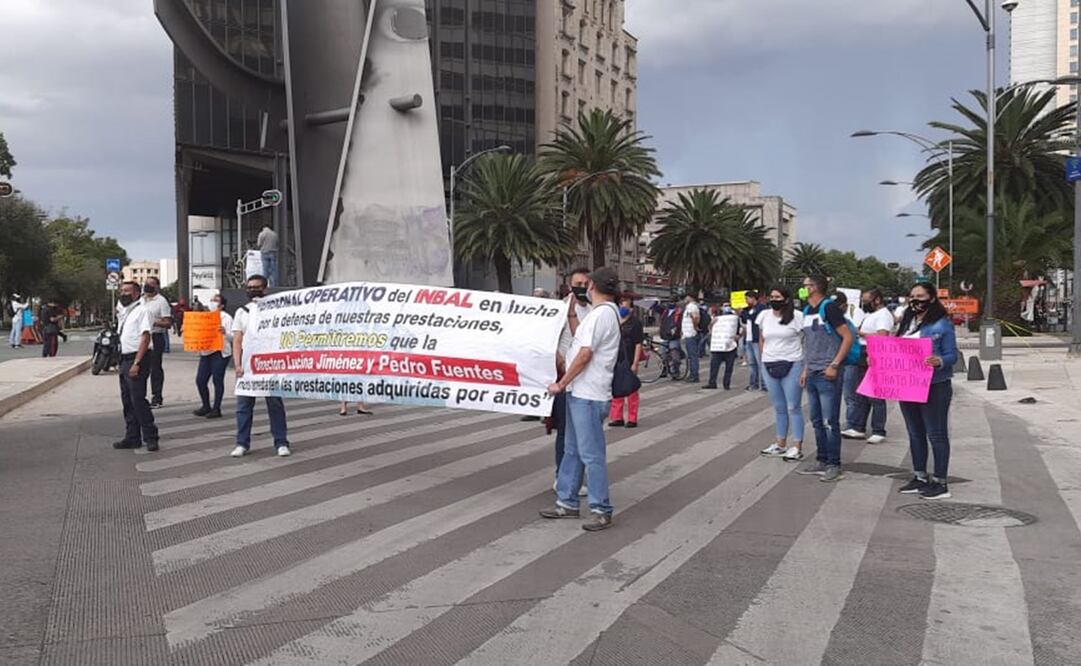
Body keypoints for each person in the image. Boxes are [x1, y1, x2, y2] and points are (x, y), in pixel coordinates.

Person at [540, 266, 622, 532]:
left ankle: (601, 508)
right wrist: (573, 312)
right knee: (572, 450)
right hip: (581, 393)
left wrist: (561, 383)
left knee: (591, 454)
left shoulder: (601, 315)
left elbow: (585, 354)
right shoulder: (603, 314)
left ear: (592, 287)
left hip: (589, 394)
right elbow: (579, 339)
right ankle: (567, 501)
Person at [896, 282, 959, 500]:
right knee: (915, 432)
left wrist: (938, 360)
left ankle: (940, 481)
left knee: (936, 433)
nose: (915, 300)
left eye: (920, 296)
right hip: (907, 384)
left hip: (935, 385)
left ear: (932, 298)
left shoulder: (942, 325)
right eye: (912, 296)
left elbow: (953, 355)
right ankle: (920, 475)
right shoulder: (907, 323)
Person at [796, 275, 855, 482]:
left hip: (828, 372)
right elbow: (809, 344)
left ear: (813, 287)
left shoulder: (828, 308)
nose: (802, 289)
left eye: (804, 285)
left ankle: (834, 463)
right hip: (812, 371)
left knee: (831, 421)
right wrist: (805, 369)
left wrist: (834, 364)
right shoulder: (806, 311)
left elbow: (848, 336)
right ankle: (822, 459)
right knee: (816, 420)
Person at [232, 274, 290, 457]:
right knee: (243, 407)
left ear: (265, 289)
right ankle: (242, 443)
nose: (253, 290)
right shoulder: (242, 312)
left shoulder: (276, 311)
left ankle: (281, 442)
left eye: (256, 287)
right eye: (249, 287)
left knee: (275, 405)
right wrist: (237, 364)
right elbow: (237, 340)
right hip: (248, 368)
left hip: (270, 366)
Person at [553, 268, 592, 496]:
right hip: (565, 377)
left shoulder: (593, 309)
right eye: (578, 282)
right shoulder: (560, 309)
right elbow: (551, 341)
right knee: (566, 431)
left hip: (585, 379)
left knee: (582, 432)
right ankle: (562, 475)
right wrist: (562, 364)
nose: (582, 286)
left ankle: (577, 477)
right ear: (569, 284)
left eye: (586, 282)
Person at [757, 287, 806, 461]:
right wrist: (764, 357)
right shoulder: (763, 316)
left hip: (792, 363)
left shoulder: (798, 316)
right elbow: (762, 338)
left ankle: (797, 445)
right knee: (779, 407)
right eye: (771, 297)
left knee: (793, 406)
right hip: (769, 363)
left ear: (786, 299)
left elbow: (808, 339)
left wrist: (805, 368)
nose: (773, 300)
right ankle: (780, 444)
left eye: (777, 297)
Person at [841, 288, 894, 444]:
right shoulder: (872, 315)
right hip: (862, 352)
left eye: (866, 301)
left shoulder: (883, 315)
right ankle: (858, 427)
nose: (864, 304)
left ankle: (879, 429)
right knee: (862, 393)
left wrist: (861, 333)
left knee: (875, 394)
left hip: (874, 353)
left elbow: (882, 336)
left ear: (876, 300)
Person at [113, 281, 159, 452]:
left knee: (138, 399)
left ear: (136, 293)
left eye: (127, 291)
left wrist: (137, 363)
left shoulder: (143, 311)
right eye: (122, 290)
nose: (123, 293)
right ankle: (132, 437)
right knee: (127, 400)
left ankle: (151, 437)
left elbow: (145, 337)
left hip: (137, 358)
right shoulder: (125, 312)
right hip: (124, 358)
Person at [192, 294, 234, 419]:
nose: (212, 302)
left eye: (215, 301)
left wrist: (225, 332)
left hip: (220, 352)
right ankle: (206, 405)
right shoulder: (205, 316)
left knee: (217, 380)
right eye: (211, 300)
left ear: (221, 305)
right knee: (200, 380)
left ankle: (216, 408)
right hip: (206, 352)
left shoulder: (226, 318)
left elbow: (233, 336)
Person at [609, 293, 644, 428]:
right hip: (615, 357)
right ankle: (617, 417)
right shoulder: (615, 320)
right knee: (616, 386)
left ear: (631, 305)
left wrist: (635, 362)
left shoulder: (635, 323)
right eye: (621, 302)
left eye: (625, 302)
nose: (623, 305)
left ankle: (632, 418)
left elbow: (638, 343)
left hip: (629, 357)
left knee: (631, 388)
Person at [141, 276, 173, 409]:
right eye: (146, 283)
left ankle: (157, 397)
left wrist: (152, 321)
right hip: (141, 336)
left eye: (151, 284)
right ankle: (140, 397)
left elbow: (168, 323)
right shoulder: (141, 299)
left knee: (155, 368)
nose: (147, 286)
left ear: (157, 287)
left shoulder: (161, 301)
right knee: (141, 367)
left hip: (155, 336)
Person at [704, 304, 741, 390]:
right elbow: (710, 330)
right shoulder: (717, 319)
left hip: (730, 346)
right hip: (718, 346)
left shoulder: (735, 320)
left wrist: (738, 336)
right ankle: (712, 383)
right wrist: (711, 324)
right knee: (714, 366)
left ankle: (726, 384)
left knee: (729, 366)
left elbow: (741, 329)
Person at [741, 291, 768, 391]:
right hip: (749, 338)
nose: (746, 301)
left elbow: (754, 319)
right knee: (752, 363)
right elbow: (744, 318)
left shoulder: (761, 308)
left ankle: (765, 384)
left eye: (747, 299)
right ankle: (753, 383)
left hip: (757, 339)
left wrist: (745, 313)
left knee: (760, 362)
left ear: (753, 298)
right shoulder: (748, 309)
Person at [657, 301, 683, 379]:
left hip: (674, 337)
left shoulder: (679, 312)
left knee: (675, 356)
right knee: (662, 354)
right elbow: (657, 309)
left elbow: (680, 323)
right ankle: (666, 368)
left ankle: (676, 371)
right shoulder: (665, 311)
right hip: (665, 336)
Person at [681, 293, 702, 383]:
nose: (685, 299)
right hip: (688, 333)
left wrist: (694, 327)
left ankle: (694, 375)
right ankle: (693, 374)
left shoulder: (692, 306)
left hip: (691, 334)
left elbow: (696, 317)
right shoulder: (689, 307)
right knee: (691, 355)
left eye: (686, 297)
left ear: (690, 297)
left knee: (693, 356)